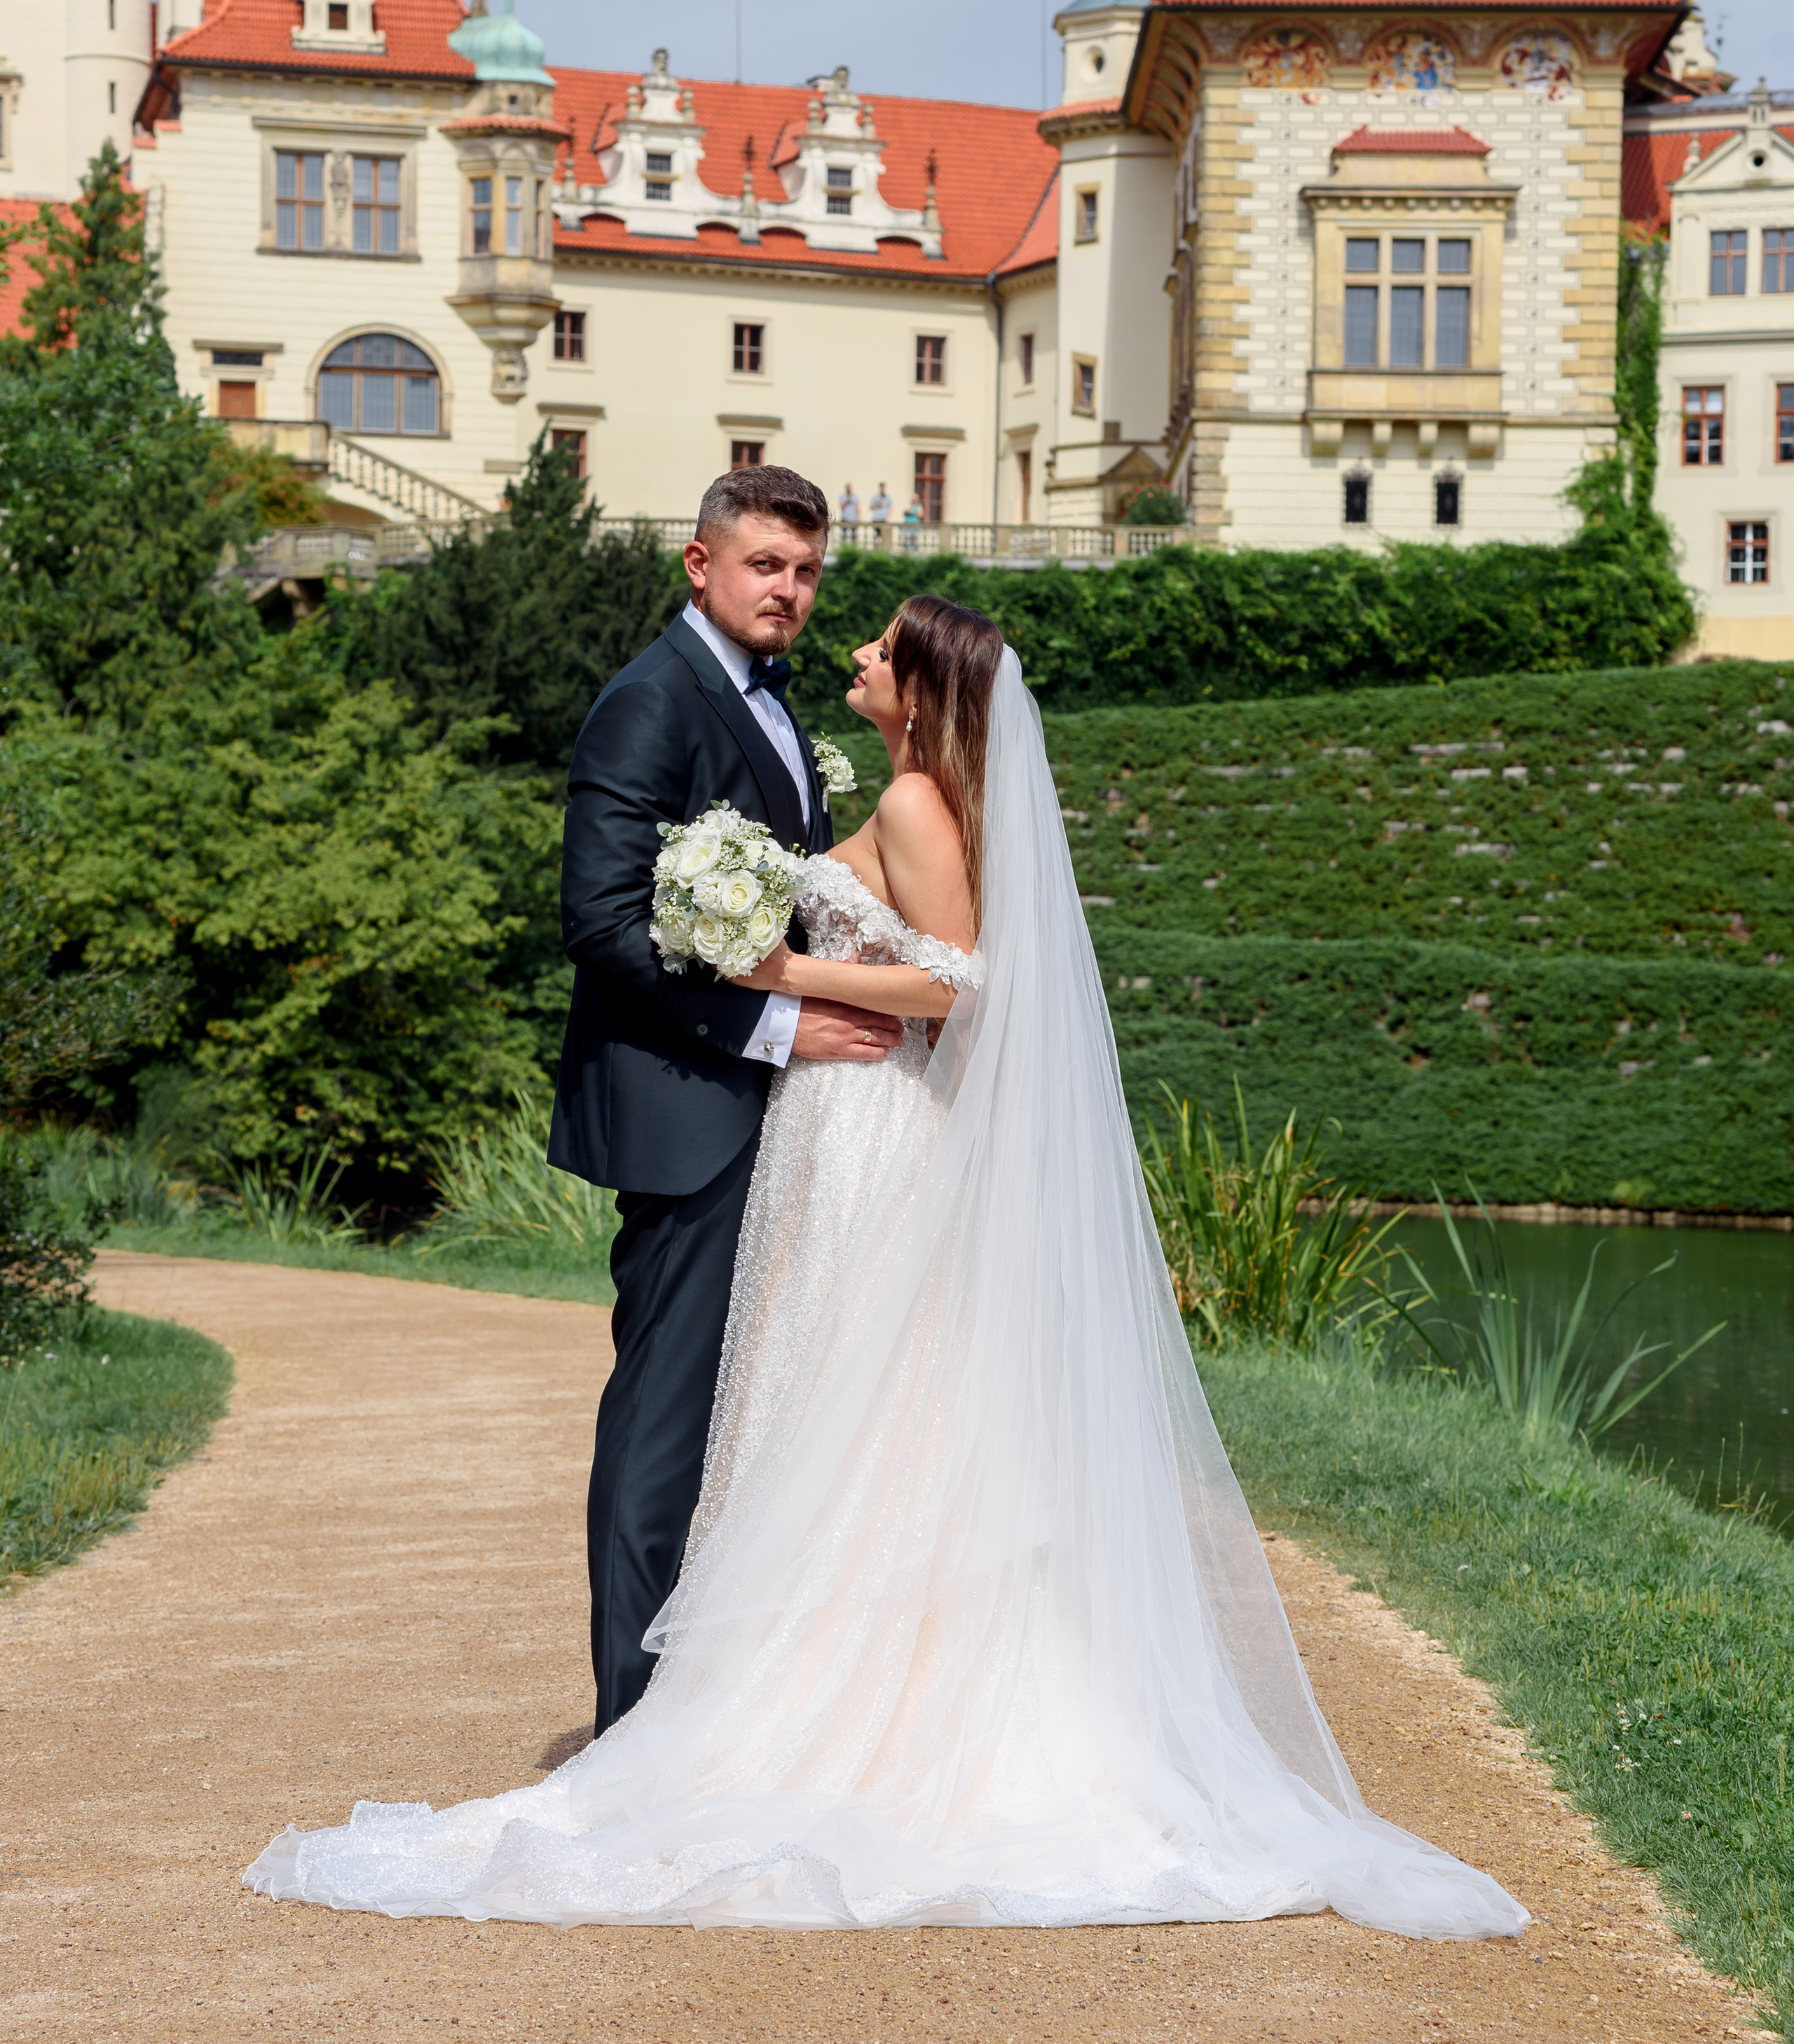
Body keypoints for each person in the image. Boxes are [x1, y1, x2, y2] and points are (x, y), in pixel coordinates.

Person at [247, 598, 1528, 1940]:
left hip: (873, 1131)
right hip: (835, 1124)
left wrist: (785, 964)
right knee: (842, 1404)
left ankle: (875, 1711)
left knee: (873, 1405)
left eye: (879, 647)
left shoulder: (916, 803)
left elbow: (967, 979)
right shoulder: (899, 782)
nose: (851, 651)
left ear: (918, 688)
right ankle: (838, 1687)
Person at [543, 461, 901, 1738]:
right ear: (700, 564)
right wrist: (780, 1022)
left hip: (775, 1113)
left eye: (806, 572)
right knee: (667, 1415)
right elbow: (600, 920)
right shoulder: (650, 701)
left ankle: (720, 1703)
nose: (790, 591)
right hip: (689, 1108)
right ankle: (631, 1727)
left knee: (756, 1408)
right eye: (766, 565)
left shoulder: (768, 696)